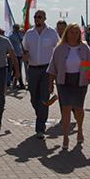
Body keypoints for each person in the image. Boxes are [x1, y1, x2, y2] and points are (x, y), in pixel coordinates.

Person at [47, 23, 90, 150]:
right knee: (66, 108)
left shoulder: (84, 48)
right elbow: (53, 67)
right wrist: (50, 84)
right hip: (64, 82)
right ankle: (65, 136)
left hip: (80, 82)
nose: (74, 35)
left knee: (78, 109)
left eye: (76, 33)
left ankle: (80, 129)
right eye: (71, 32)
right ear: (66, 33)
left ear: (80, 34)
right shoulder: (60, 48)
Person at [22, 10, 60, 139]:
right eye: (35, 17)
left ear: (44, 18)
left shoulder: (51, 33)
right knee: (34, 97)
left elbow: (58, 48)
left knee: (44, 98)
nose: (37, 19)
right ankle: (40, 115)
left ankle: (40, 128)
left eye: (39, 17)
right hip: (32, 69)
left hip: (46, 70)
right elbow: (25, 48)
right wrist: (25, 55)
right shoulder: (29, 33)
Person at [0, 22, 20, 129]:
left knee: (1, 94)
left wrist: (17, 71)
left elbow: (13, 56)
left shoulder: (5, 41)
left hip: (2, 69)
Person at [9, 23, 25, 89]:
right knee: (17, 69)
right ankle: (21, 83)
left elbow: (23, 39)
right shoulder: (11, 36)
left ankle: (14, 82)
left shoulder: (20, 34)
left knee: (17, 69)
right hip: (15, 55)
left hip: (20, 54)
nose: (17, 29)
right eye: (16, 28)